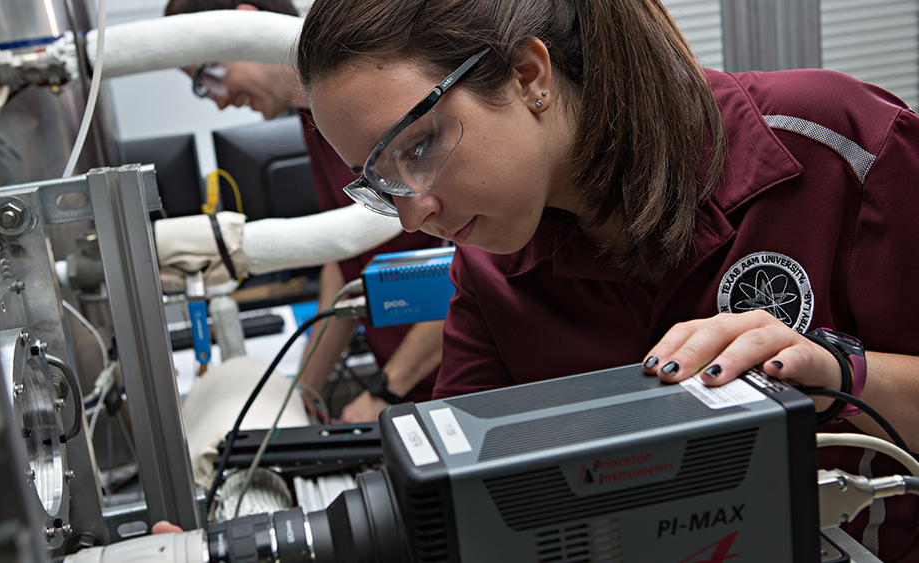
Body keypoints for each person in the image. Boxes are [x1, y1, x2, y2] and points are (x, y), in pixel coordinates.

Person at [295, 0, 919, 560]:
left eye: (420, 148)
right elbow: (455, 509)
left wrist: (843, 378)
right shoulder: (491, 276)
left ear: (528, 76)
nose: (411, 216)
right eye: (380, 182)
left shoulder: (839, 146)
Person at [164, 0, 446, 422]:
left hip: (457, 375)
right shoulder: (313, 119)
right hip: (410, 385)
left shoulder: (373, 97)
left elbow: (470, 258)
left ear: (246, 25)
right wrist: (303, 394)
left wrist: (387, 389)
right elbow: (347, 259)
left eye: (209, 76)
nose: (219, 102)